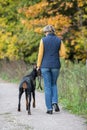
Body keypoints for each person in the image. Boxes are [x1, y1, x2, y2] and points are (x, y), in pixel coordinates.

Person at [37, 25, 66, 114]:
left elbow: (40, 54)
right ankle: (55, 102)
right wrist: (55, 54)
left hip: (45, 66)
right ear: (53, 31)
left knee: (47, 86)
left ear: (46, 32)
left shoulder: (43, 40)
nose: (45, 34)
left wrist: (38, 66)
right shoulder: (59, 40)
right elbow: (63, 53)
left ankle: (49, 109)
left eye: (45, 33)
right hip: (55, 65)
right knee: (54, 84)